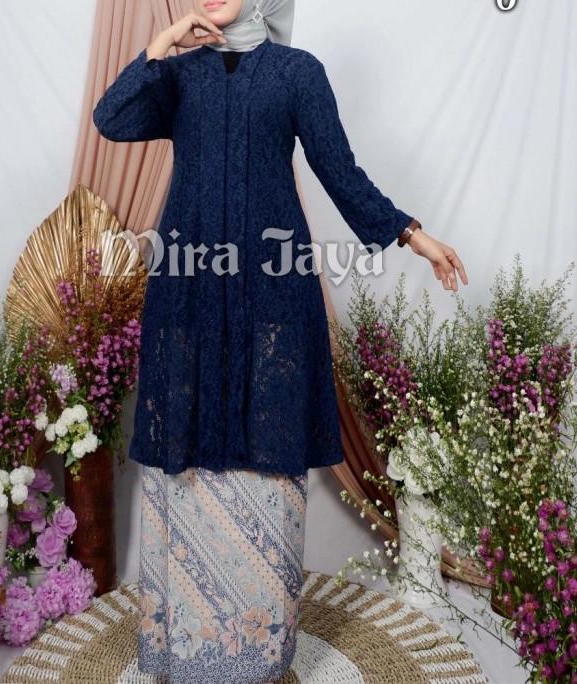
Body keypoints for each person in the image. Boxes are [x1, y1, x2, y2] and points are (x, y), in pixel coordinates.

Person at [92, 1, 468, 681]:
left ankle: (255, 655)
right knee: (186, 445)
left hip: (273, 294)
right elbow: (111, 119)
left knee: (269, 446)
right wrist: (164, 40)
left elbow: (340, 172)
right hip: (187, 294)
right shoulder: (178, 75)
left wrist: (414, 235)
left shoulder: (297, 73)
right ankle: (184, 647)